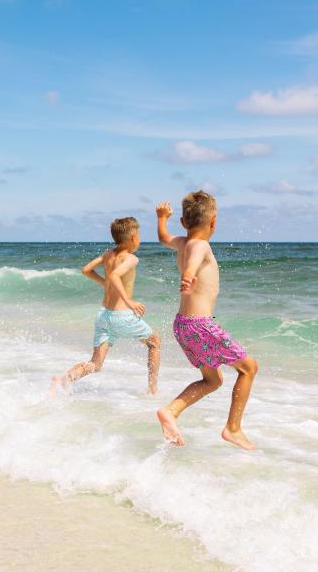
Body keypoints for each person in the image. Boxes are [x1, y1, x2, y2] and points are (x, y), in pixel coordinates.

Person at [154, 193, 259, 450]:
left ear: (183, 222)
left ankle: (171, 410)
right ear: (213, 222)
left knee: (213, 380)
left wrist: (161, 219)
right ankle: (233, 429)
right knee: (249, 368)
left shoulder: (181, 242)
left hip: (183, 325)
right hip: (200, 325)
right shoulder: (201, 245)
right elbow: (193, 263)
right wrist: (188, 276)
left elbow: (163, 238)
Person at [51, 217, 161, 395]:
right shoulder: (131, 258)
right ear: (133, 238)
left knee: (95, 364)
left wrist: (105, 283)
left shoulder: (108, 254)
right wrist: (128, 301)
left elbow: (86, 270)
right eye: (139, 235)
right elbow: (116, 275)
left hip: (103, 316)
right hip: (121, 316)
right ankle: (152, 390)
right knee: (155, 342)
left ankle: (64, 379)